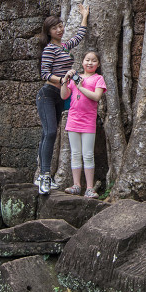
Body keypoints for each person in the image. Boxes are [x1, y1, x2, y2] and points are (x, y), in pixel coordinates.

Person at [36, 3, 89, 195]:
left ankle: (41, 173)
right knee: (50, 133)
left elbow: (79, 36)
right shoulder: (50, 49)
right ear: (48, 32)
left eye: (60, 26)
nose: (59, 29)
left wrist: (84, 15)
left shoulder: (64, 47)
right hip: (48, 95)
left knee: (48, 134)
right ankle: (44, 177)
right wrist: (63, 78)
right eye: (54, 27)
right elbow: (44, 74)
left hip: (60, 97)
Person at [60, 50, 106, 199]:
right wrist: (66, 80)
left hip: (88, 122)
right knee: (75, 154)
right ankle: (76, 185)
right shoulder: (75, 78)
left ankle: (90, 188)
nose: (90, 63)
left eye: (93, 60)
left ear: (98, 64)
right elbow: (64, 95)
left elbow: (97, 96)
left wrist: (80, 87)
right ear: (82, 62)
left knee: (87, 154)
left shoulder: (98, 79)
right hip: (73, 120)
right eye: (87, 60)